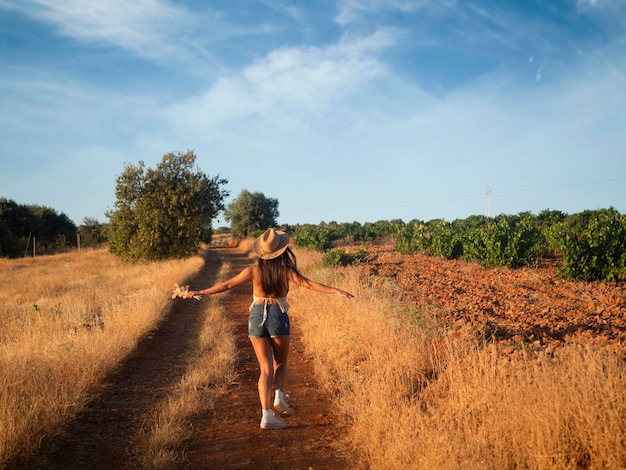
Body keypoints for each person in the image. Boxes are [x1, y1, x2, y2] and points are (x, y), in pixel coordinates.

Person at [185, 228, 354, 429]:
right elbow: (308, 284)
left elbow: (226, 285)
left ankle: (266, 416)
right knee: (280, 363)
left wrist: (199, 292)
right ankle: (279, 397)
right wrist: (335, 291)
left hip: (256, 316)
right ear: (281, 251)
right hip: (278, 315)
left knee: (265, 369)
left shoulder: (252, 271)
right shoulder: (285, 271)